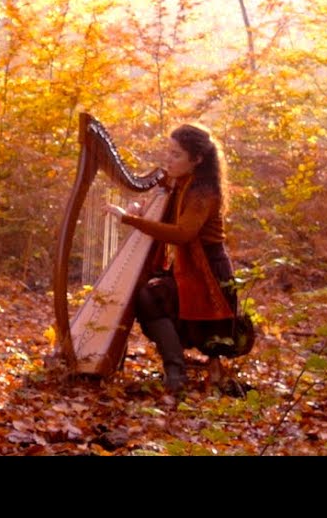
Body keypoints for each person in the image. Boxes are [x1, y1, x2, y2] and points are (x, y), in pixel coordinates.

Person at [107, 123, 255, 396]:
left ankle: (177, 370)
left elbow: (182, 234)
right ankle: (175, 368)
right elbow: (169, 218)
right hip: (188, 267)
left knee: (148, 297)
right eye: (168, 152)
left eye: (176, 155)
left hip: (207, 270)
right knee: (147, 295)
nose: (168, 159)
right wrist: (141, 209)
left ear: (197, 160)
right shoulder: (181, 184)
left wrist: (130, 219)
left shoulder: (203, 192)